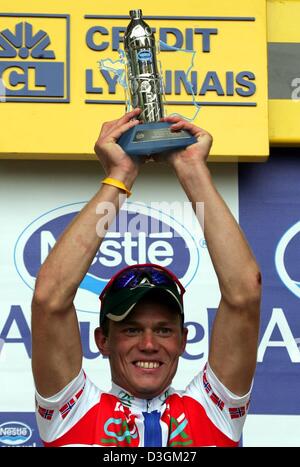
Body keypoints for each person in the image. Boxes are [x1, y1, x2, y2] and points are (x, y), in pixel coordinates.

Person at [31, 109, 261, 447]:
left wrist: (192, 170)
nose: (149, 344)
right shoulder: (73, 410)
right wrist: (120, 177)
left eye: (164, 329)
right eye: (131, 329)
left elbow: (244, 293)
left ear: (184, 340)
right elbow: (50, 298)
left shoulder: (214, 409)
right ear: (102, 341)